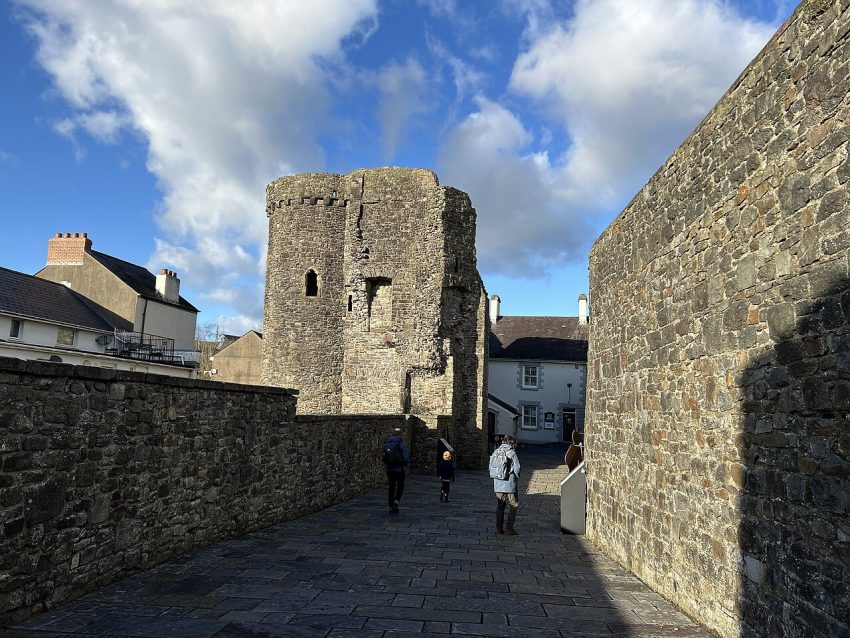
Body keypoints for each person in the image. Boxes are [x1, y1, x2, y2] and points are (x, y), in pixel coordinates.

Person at [493, 435, 521, 535]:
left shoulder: (496, 451)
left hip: (498, 484)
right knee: (514, 504)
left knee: (500, 505)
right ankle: (509, 526)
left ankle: (499, 528)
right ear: (512, 444)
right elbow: (517, 468)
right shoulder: (512, 453)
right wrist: (517, 477)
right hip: (509, 484)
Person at [382, 428, 409, 514]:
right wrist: (405, 464)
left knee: (391, 487)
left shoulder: (387, 444)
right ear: (400, 434)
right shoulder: (401, 444)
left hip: (389, 469)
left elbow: (384, 457)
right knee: (400, 486)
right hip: (399, 469)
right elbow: (405, 457)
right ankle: (396, 502)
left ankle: (390, 506)